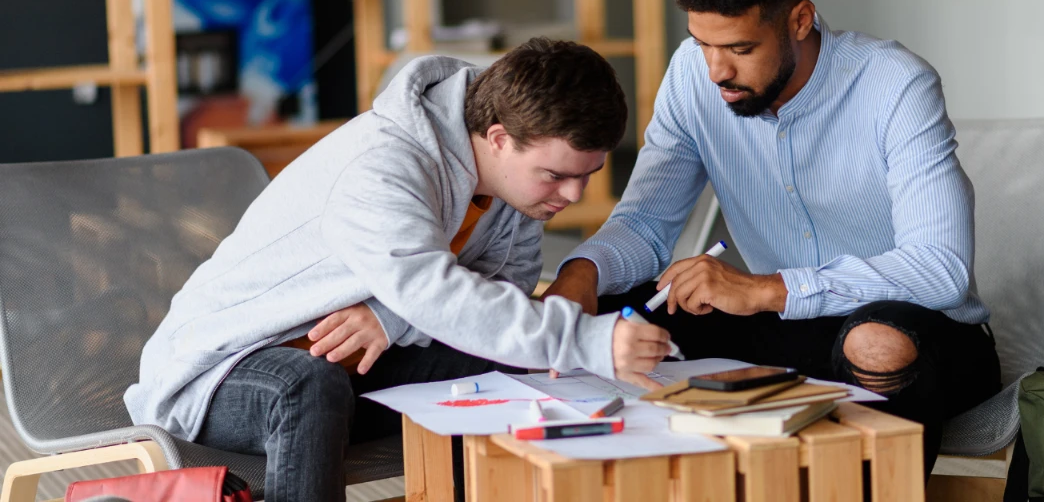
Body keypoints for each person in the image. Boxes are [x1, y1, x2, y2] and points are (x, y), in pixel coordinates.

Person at [545, 0, 1002, 477]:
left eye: (738, 49)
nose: (715, 71)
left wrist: (766, 289)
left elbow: (940, 269)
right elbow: (643, 225)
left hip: (922, 334)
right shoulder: (693, 75)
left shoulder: (896, 85)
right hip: (785, 332)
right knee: (608, 316)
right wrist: (577, 277)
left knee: (875, 341)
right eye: (702, 44)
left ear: (801, 20)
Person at [126, 39, 672, 502]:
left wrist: (390, 317)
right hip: (224, 371)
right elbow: (435, 294)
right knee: (306, 384)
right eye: (556, 175)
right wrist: (588, 339)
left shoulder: (517, 191)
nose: (572, 195)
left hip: (357, 365)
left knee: (506, 363)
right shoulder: (385, 164)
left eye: (587, 175)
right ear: (501, 137)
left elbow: (493, 299)